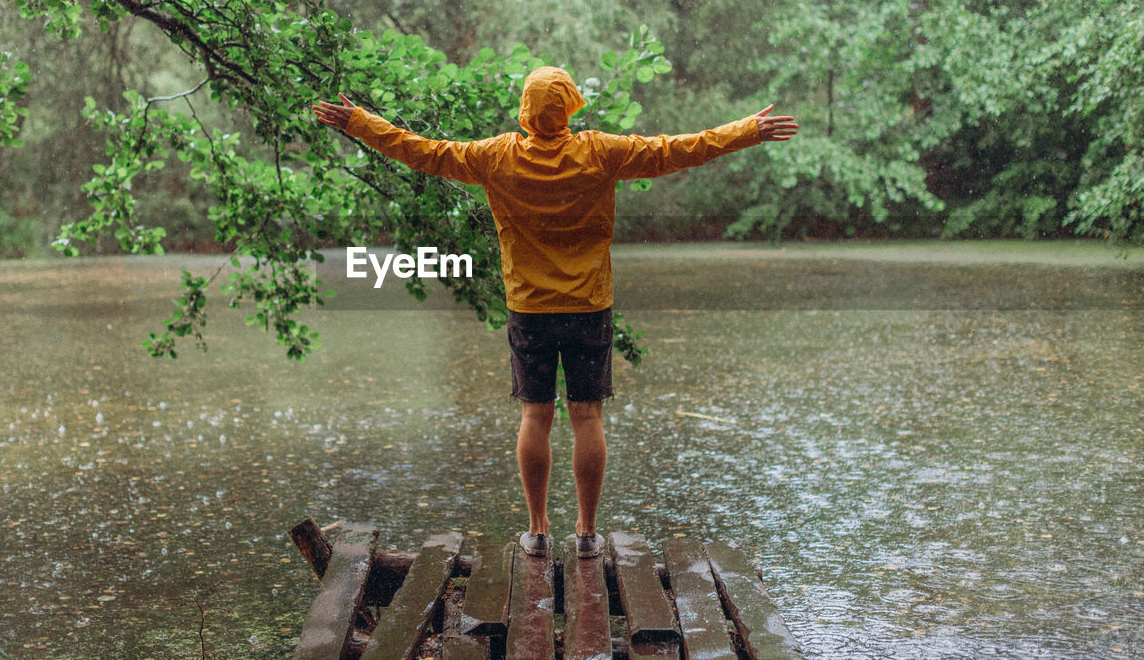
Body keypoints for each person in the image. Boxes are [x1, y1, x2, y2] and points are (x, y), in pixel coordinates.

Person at [313, 66, 797, 559]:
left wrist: (358, 122)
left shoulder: (495, 156)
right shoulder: (600, 152)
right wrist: (745, 131)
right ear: (568, 106)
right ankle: (587, 534)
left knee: (535, 415)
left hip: (529, 309)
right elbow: (677, 150)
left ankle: (539, 530)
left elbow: (420, 151)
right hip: (589, 306)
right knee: (587, 416)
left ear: (526, 109)